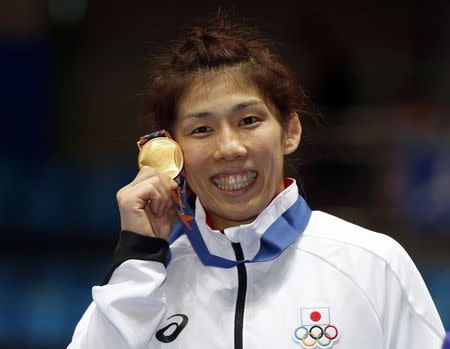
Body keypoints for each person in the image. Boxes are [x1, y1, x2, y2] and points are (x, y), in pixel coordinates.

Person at [68, 15, 445, 349]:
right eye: (201, 129)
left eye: (248, 121)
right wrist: (137, 255)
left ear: (290, 131)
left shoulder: (373, 264)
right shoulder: (146, 281)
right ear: (171, 151)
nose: (229, 148)